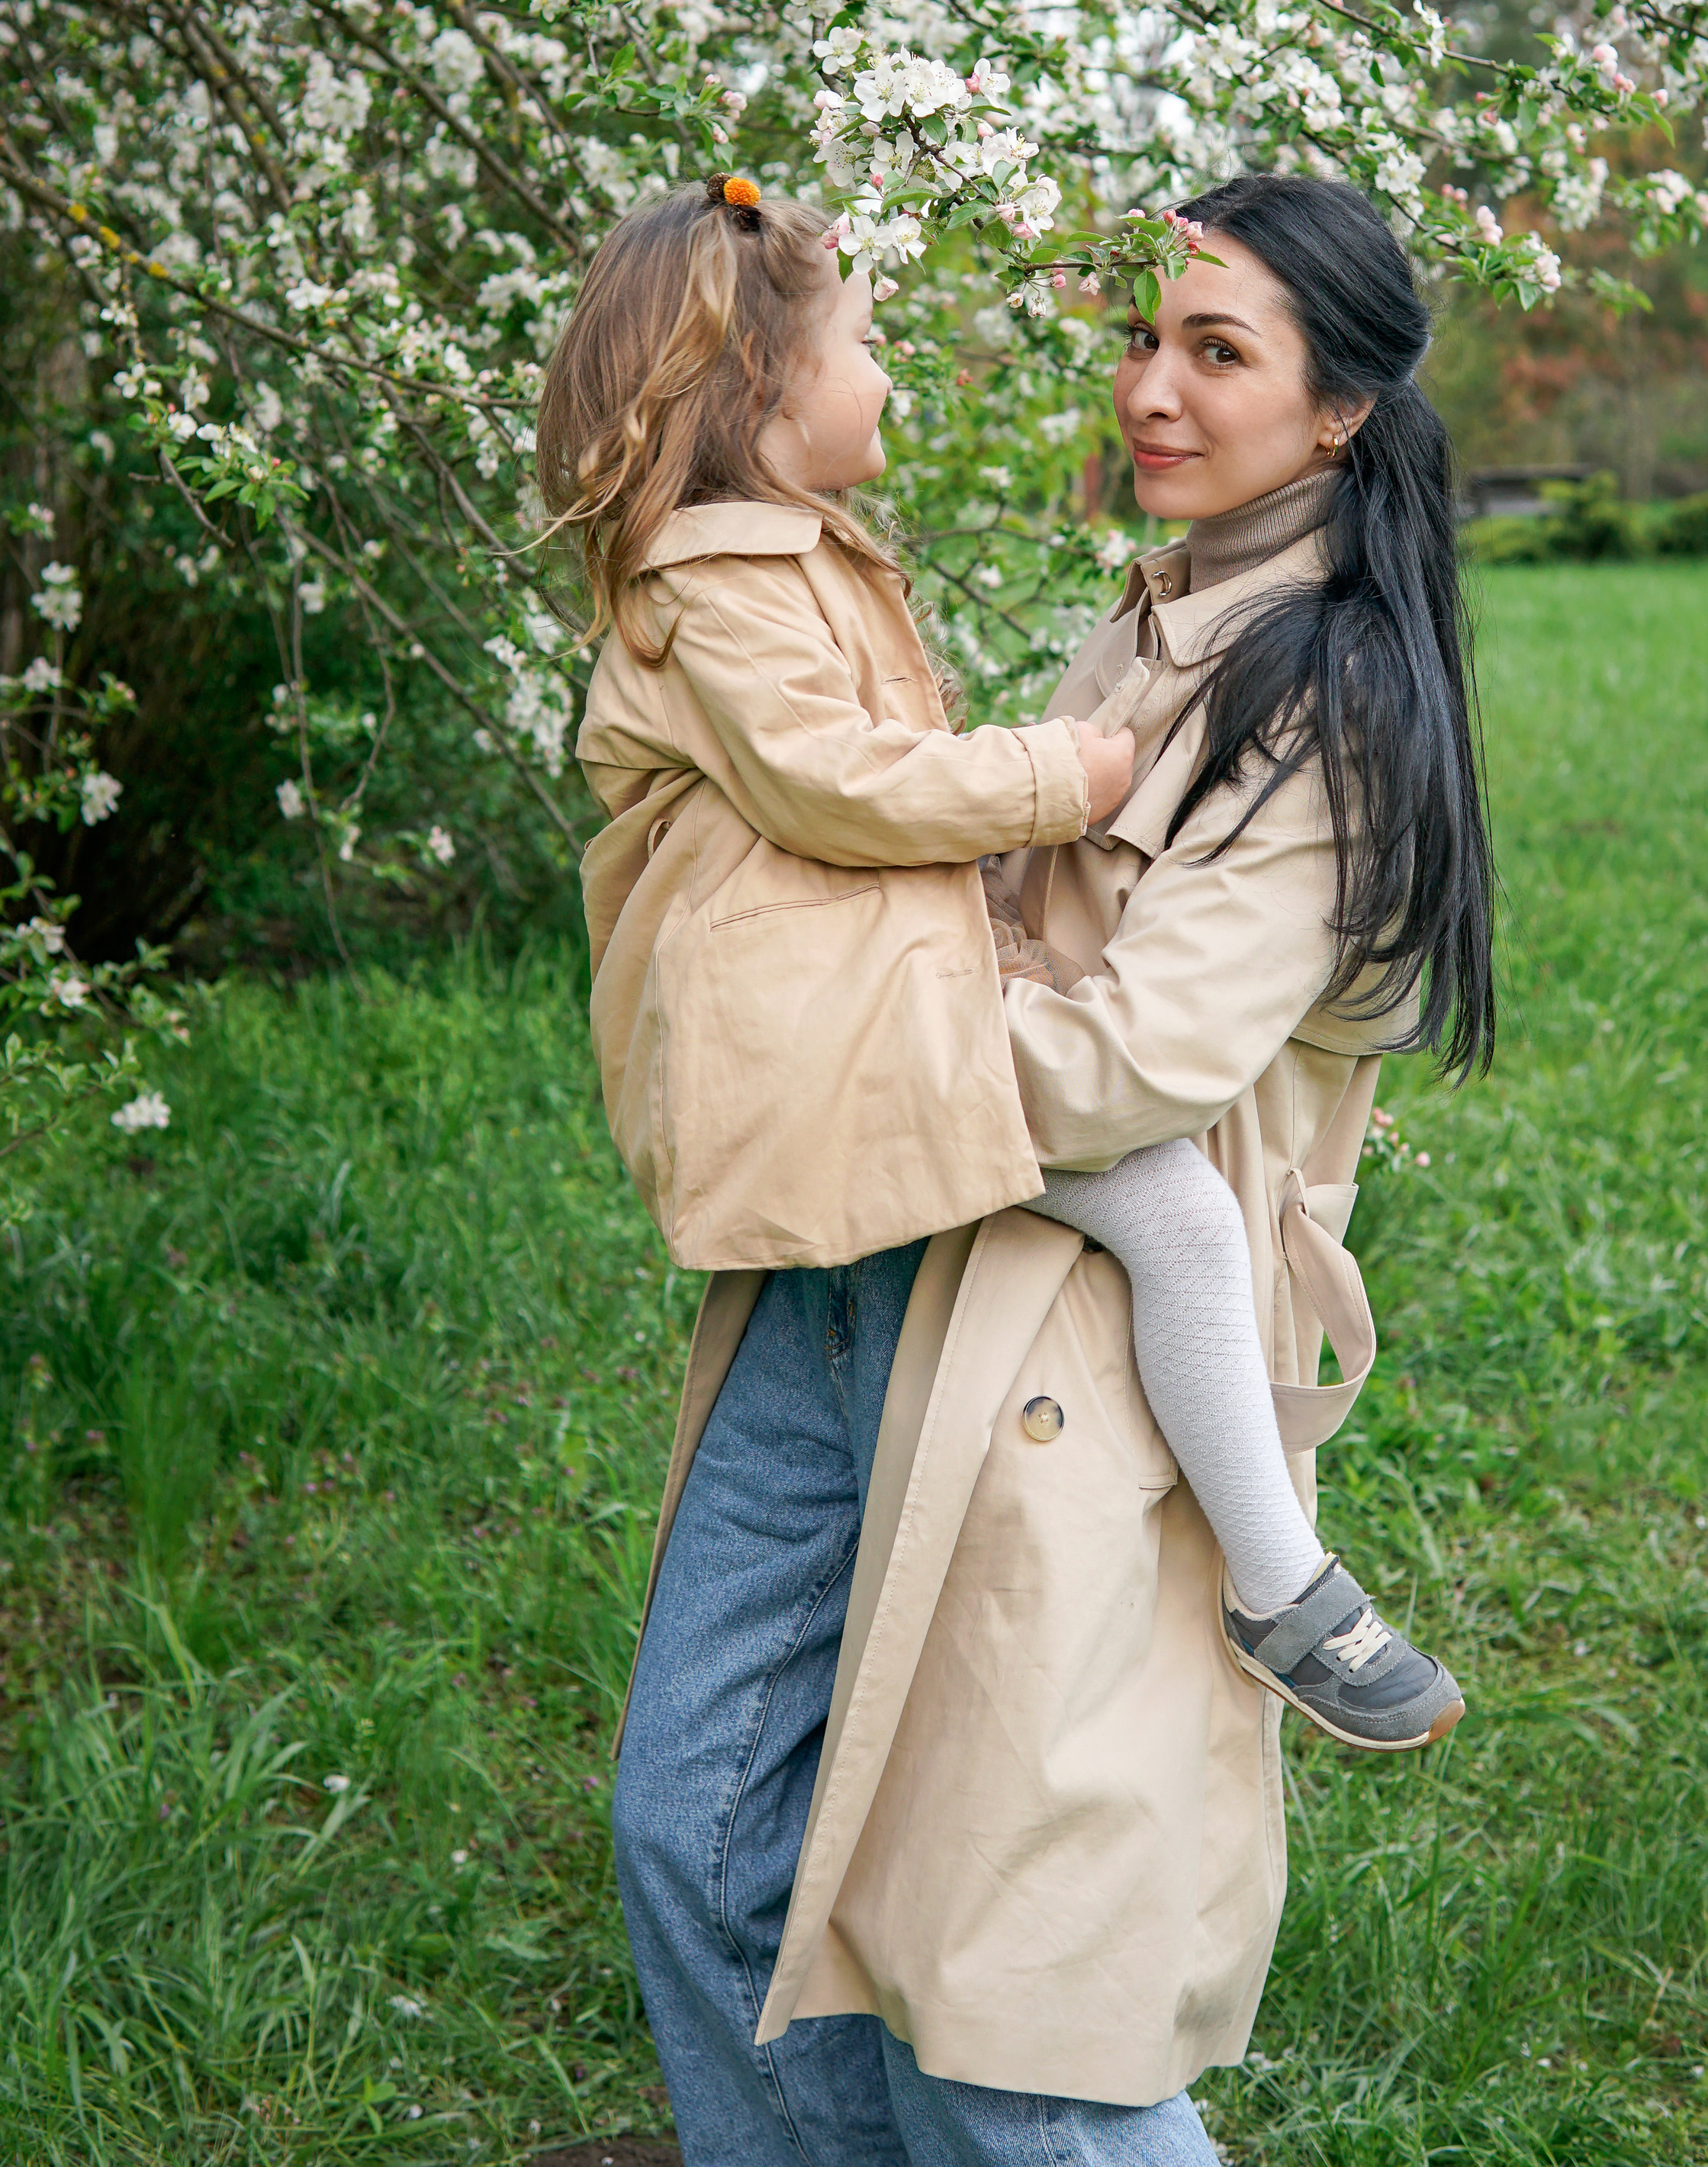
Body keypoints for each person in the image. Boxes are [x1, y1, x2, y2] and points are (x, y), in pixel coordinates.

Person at [551, 169, 1497, 2164]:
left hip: (1051, 1352)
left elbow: (1143, 1055)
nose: (1151, 387)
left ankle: (1282, 1587)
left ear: (1341, 412)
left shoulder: (1320, 693)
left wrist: (840, 1055)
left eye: (1215, 351)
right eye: (1147, 337)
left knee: (1003, 2015)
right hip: (866, 1270)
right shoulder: (1145, 614)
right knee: (705, 1843)